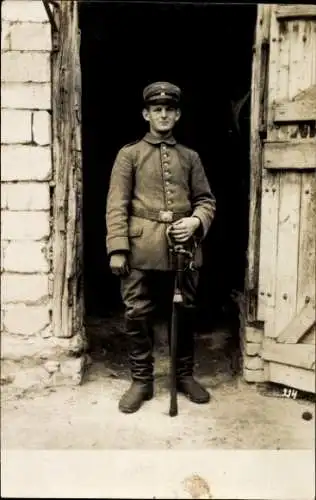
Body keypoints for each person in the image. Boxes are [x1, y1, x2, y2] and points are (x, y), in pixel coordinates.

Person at [106, 81, 216, 413]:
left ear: (178, 114)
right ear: (146, 113)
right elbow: (116, 204)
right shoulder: (130, 155)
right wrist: (118, 248)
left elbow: (206, 201)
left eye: (170, 109)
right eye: (157, 109)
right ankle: (142, 381)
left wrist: (195, 221)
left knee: (184, 312)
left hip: (183, 250)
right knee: (137, 312)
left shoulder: (190, 157)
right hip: (140, 247)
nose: (164, 114)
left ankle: (183, 375)